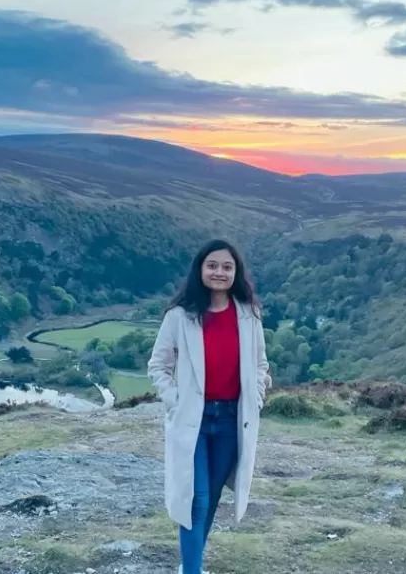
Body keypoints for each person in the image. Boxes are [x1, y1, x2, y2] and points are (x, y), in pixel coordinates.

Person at [147, 238, 271, 574]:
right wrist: (176, 401)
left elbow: (261, 364)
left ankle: (191, 562)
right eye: (212, 265)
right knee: (194, 499)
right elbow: (158, 365)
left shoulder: (248, 315)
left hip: (231, 419)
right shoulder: (180, 316)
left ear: (236, 272)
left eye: (227, 267)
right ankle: (192, 570)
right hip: (194, 421)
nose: (219, 272)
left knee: (212, 497)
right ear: (200, 269)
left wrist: (256, 397)